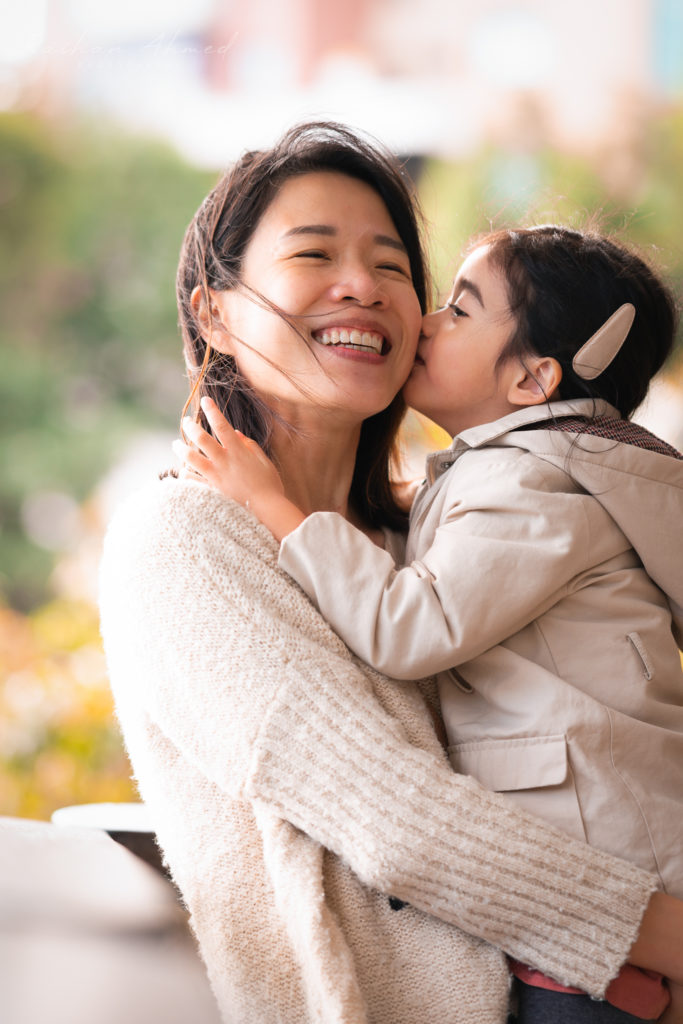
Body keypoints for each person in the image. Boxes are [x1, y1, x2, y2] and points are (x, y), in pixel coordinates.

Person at [99, 123, 683, 1024]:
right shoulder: (183, 539)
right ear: (214, 311)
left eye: (393, 266)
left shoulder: (434, 532)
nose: (361, 287)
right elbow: (399, 821)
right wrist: (662, 934)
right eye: (313, 253)